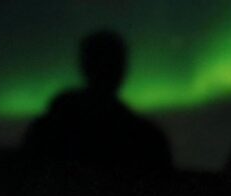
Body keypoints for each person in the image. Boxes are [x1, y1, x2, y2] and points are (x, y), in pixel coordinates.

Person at [22, 29, 171, 173]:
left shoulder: (50, 129)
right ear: (123, 68)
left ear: (83, 65)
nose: (107, 67)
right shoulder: (145, 140)